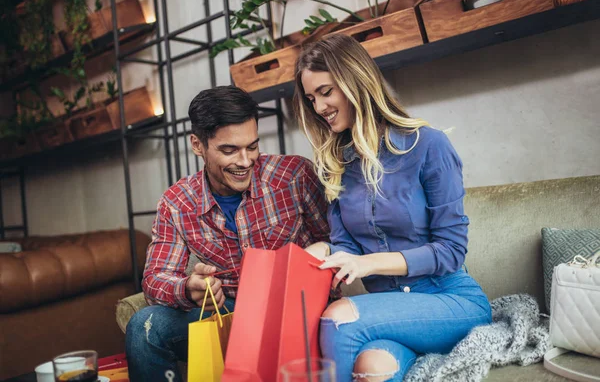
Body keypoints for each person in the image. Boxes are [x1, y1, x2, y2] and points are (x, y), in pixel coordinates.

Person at [294, 34, 492, 382]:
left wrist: (364, 264)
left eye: (326, 92)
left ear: (355, 81)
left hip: (450, 301)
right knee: (371, 368)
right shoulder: (337, 164)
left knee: (337, 318)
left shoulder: (428, 145)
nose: (319, 106)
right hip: (393, 311)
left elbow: (451, 251)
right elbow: (346, 247)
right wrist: (316, 252)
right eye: (312, 98)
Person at [125, 86, 330, 382]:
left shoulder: (294, 176)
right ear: (198, 145)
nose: (245, 161)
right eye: (229, 150)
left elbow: (336, 243)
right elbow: (155, 278)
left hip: (298, 313)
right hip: (229, 315)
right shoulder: (177, 203)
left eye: (252, 146)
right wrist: (188, 288)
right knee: (144, 326)